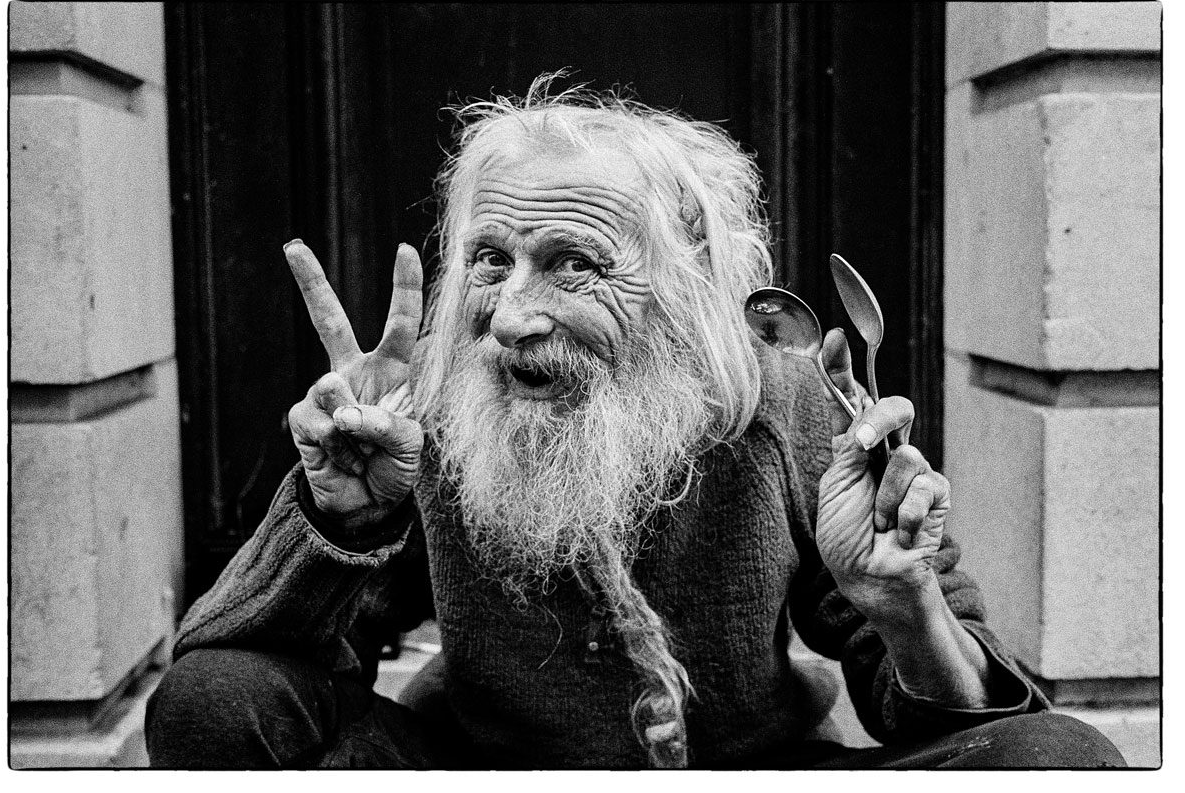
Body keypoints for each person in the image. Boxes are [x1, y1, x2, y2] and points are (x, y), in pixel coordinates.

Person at [145, 77, 1124, 769]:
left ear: (689, 287)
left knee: (1058, 757)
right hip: (484, 771)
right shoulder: (435, 406)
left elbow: (960, 713)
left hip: (745, 769)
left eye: (573, 261)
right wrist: (341, 520)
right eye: (491, 257)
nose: (515, 314)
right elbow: (246, 672)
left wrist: (901, 602)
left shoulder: (788, 400)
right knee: (211, 703)